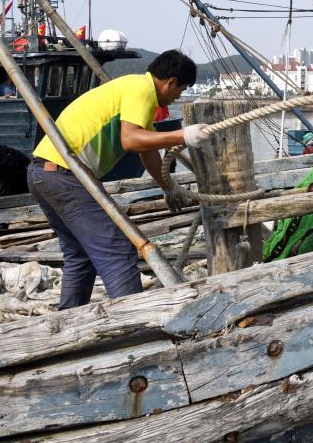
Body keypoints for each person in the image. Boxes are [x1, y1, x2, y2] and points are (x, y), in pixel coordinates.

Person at [27, 50, 213, 308]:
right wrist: (183, 135)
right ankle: (134, 319)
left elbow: (147, 151)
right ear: (170, 82)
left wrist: (168, 188)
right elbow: (130, 140)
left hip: (42, 173)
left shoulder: (132, 88)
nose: (178, 97)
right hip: (64, 175)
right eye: (180, 90)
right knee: (117, 249)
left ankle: (69, 318)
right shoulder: (142, 90)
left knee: (80, 255)